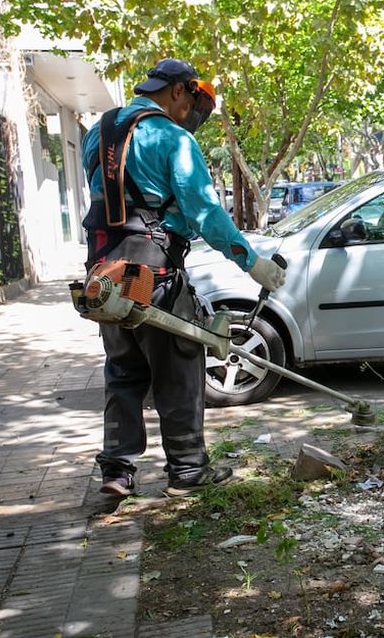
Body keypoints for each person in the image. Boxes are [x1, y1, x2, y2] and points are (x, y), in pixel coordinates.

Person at [80, 58, 285, 498]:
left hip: (104, 275)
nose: (190, 114)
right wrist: (251, 262)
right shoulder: (174, 139)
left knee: (123, 371)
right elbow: (205, 213)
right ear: (178, 91)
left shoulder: (98, 132)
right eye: (191, 102)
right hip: (154, 271)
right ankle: (188, 472)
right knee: (179, 366)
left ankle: (117, 472)